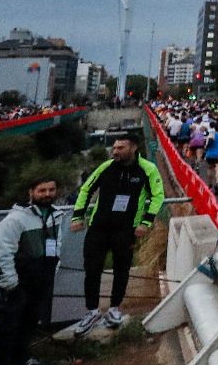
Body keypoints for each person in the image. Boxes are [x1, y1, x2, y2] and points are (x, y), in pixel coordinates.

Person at [69, 130, 164, 334]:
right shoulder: (106, 167)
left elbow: (158, 196)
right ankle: (92, 311)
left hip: (126, 230)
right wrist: (78, 216)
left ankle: (114, 309)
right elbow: (86, 189)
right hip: (99, 228)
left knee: (122, 270)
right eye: (114, 147)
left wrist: (146, 222)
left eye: (120, 148)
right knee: (92, 269)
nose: (115, 151)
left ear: (133, 148)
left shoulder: (148, 170)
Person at [0, 177, 63, 365]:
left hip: (41, 279)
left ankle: (22, 359)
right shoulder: (15, 220)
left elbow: (57, 244)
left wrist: (52, 270)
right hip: (18, 282)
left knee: (29, 320)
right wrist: (10, 283)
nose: (47, 194)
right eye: (42, 190)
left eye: (51, 189)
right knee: (7, 323)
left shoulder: (56, 216)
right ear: (31, 192)